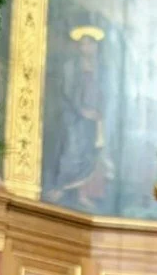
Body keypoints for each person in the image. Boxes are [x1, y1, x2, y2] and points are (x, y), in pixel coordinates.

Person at [46, 26, 112, 210]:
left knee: (92, 153)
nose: (86, 48)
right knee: (73, 151)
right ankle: (60, 188)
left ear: (96, 46)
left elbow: (106, 92)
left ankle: (83, 193)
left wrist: (99, 111)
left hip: (95, 117)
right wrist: (81, 111)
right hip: (73, 116)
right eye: (83, 44)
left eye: (90, 44)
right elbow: (66, 91)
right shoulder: (70, 67)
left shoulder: (102, 69)